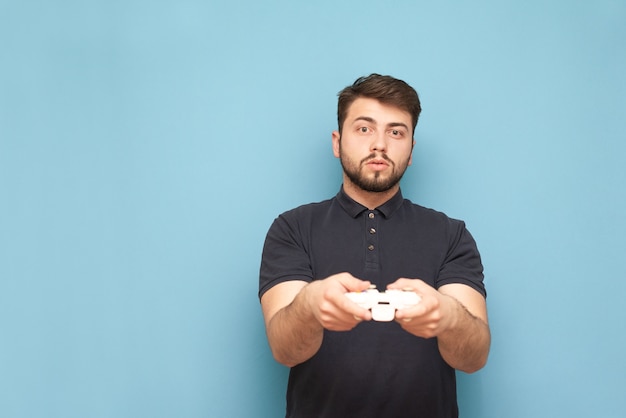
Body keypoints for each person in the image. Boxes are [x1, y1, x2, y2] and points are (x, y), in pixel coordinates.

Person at [258, 74, 490, 418]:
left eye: (396, 132)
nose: (379, 144)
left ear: (411, 150)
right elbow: (284, 349)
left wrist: (447, 315)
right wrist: (309, 305)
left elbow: (474, 358)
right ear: (337, 142)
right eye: (364, 129)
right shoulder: (291, 228)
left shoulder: (451, 234)